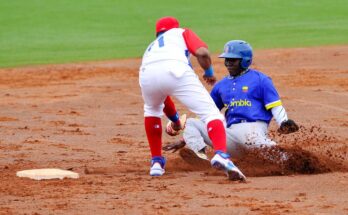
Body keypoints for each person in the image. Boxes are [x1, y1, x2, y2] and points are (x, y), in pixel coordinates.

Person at [139, 16, 246, 181]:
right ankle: (221, 155)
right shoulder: (181, 33)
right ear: (175, 28)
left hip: (146, 73)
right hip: (175, 69)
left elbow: (164, 96)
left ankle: (156, 163)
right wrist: (209, 72)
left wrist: (175, 121)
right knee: (211, 114)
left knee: (152, 111)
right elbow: (202, 53)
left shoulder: (152, 48)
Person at [163, 40, 299, 163]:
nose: (228, 63)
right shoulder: (220, 86)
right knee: (191, 123)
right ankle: (201, 156)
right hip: (231, 137)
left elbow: (275, 105)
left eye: (233, 60)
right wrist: (185, 139)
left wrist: (283, 122)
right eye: (226, 59)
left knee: (286, 161)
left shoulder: (260, 80)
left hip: (253, 133)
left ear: (245, 60)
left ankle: (298, 162)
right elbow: (207, 115)